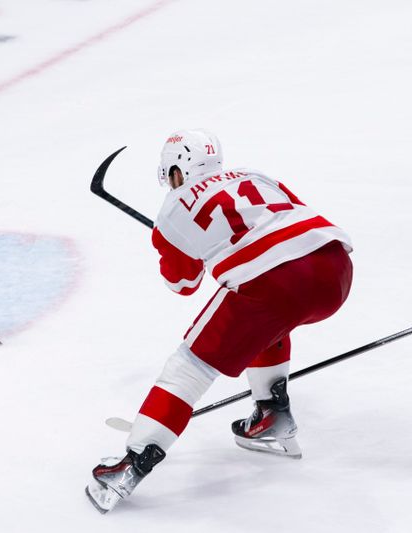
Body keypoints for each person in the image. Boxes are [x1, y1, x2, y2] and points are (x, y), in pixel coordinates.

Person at [86, 129, 353, 514]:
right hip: (335, 266)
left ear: (175, 171)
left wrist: (182, 246)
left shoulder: (172, 209)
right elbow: (290, 219)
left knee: (188, 367)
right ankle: (271, 416)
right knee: (268, 323)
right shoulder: (253, 175)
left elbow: (182, 284)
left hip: (273, 284)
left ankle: (129, 466)